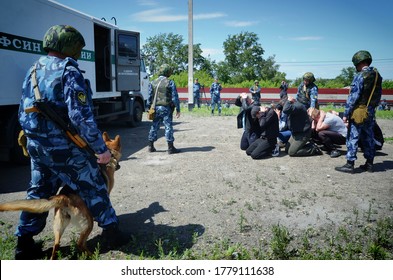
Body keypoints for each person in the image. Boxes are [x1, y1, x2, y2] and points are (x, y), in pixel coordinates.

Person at [16, 25, 127, 259]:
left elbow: (22, 110)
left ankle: (23, 244)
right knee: (94, 184)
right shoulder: (68, 70)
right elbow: (80, 116)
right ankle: (112, 232)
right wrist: (100, 150)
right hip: (64, 147)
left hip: (37, 146)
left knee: (38, 192)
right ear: (71, 46)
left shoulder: (33, 69)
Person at [335, 50, 382, 173]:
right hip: (370, 110)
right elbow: (378, 95)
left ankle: (350, 164)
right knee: (368, 136)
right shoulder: (377, 75)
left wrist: (346, 113)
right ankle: (369, 164)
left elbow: (353, 97)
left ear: (358, 62)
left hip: (359, 111)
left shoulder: (361, 76)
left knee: (353, 136)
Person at [147, 64, 181, 154]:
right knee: (168, 126)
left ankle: (150, 146)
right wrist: (178, 109)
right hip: (166, 108)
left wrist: (148, 107)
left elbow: (149, 96)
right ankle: (170, 148)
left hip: (155, 108)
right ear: (168, 72)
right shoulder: (170, 82)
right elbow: (174, 97)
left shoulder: (153, 82)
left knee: (154, 126)